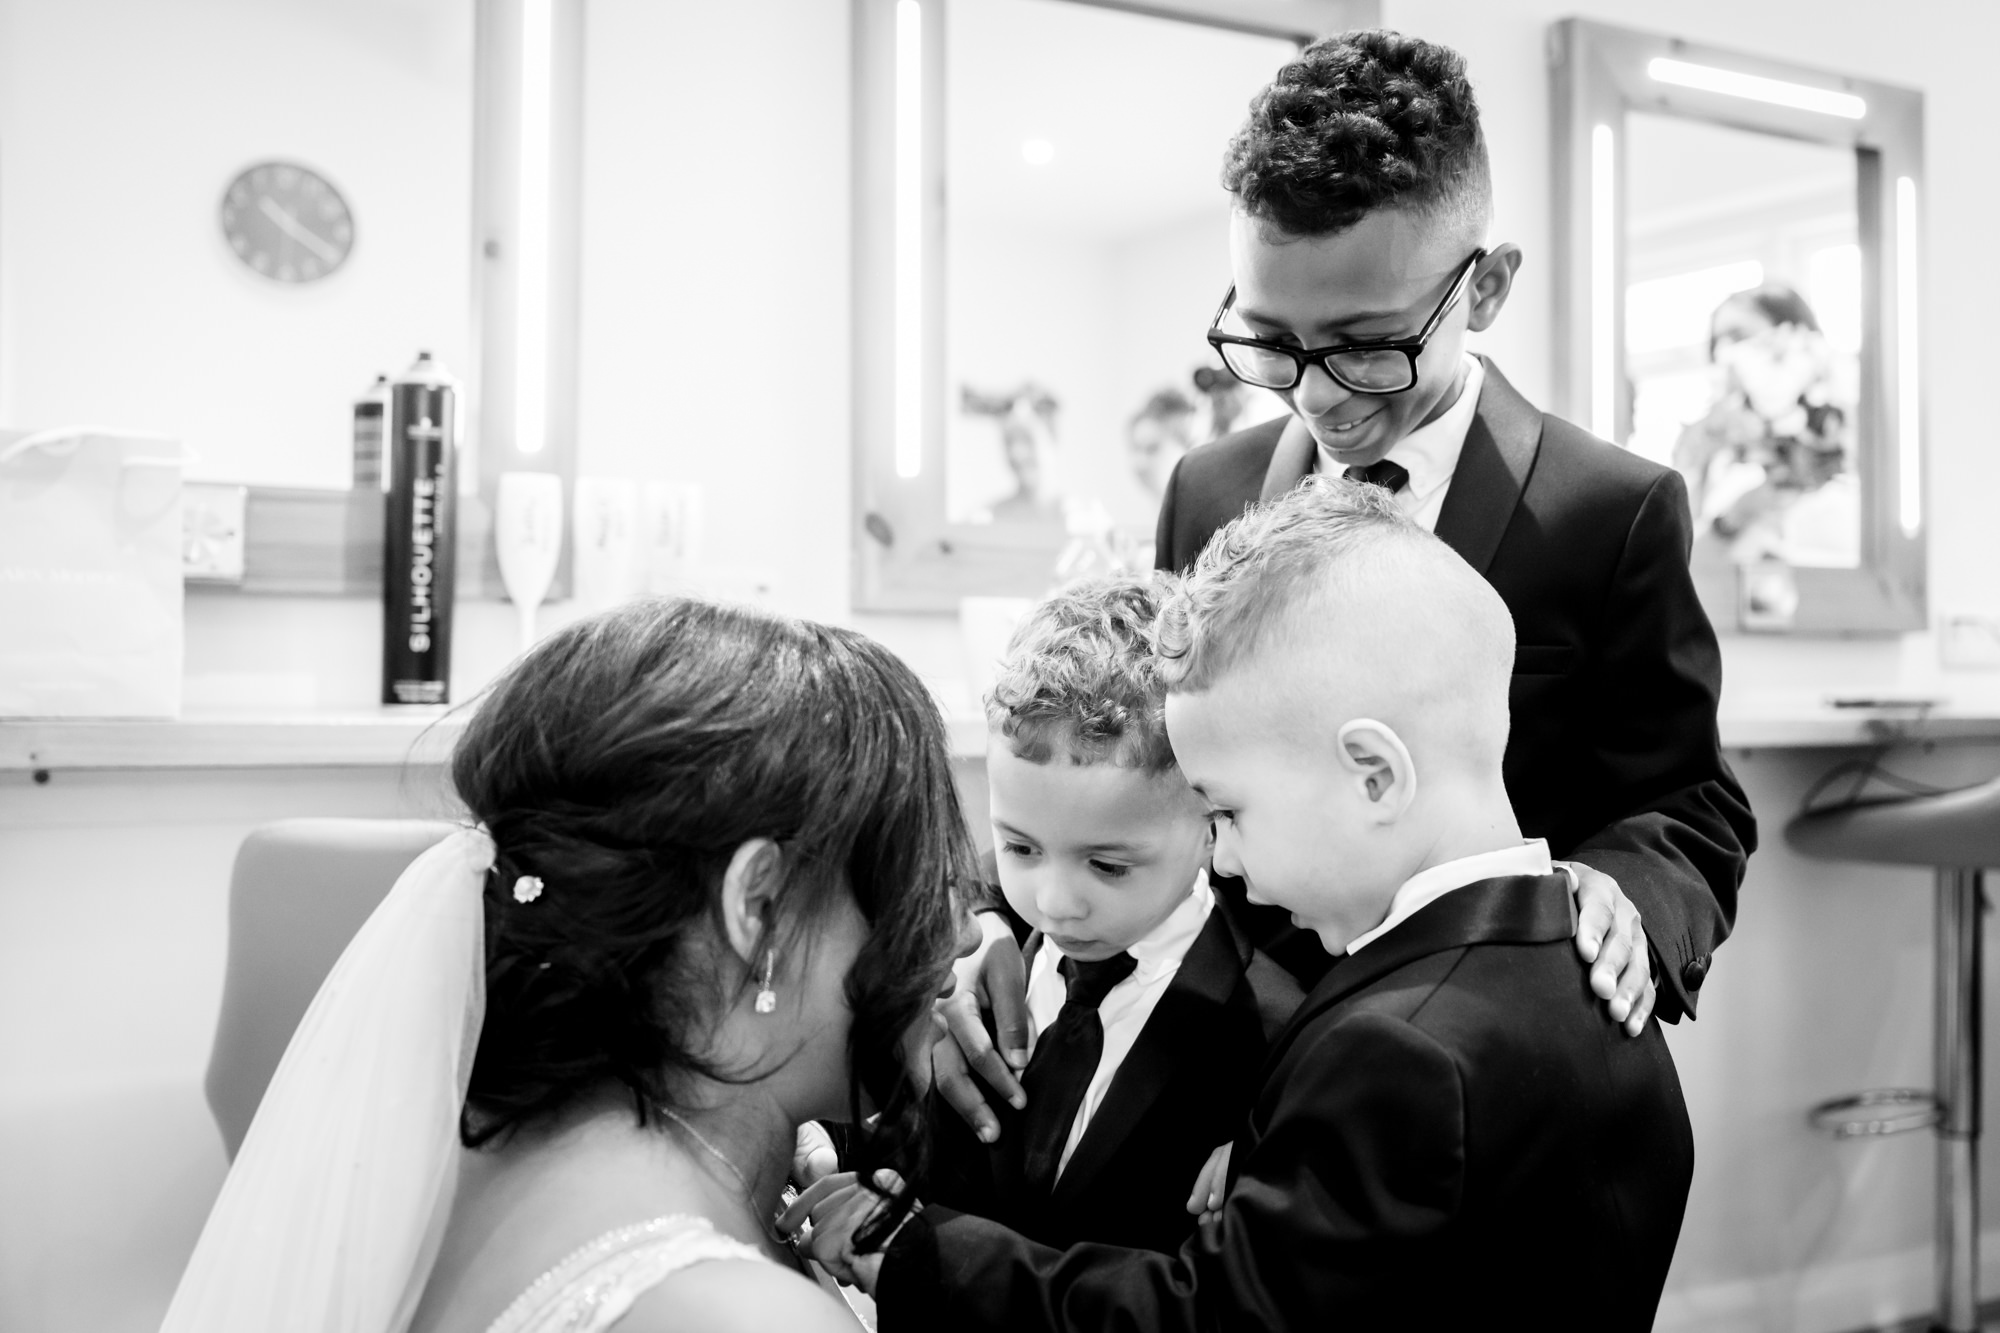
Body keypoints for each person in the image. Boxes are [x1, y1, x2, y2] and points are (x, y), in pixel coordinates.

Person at [931, 32, 1756, 1124]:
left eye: (1368, 346)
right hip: (1234, 1058)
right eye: (1271, 344)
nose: (1316, 397)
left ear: (1486, 286)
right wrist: (1003, 915)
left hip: (1477, 1065)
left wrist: (1624, 896)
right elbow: (1129, 755)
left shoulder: (1607, 511)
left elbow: (1688, 803)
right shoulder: (1207, 489)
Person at [800, 478, 1696, 1331]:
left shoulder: (1400, 1053)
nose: (1221, 856)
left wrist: (917, 1254)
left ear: (1374, 775)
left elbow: (1211, 1324)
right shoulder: (1603, 980)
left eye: (1226, 810)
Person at [161, 598, 975, 1333]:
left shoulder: (441, 1157)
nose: (962, 932)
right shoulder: (737, 1316)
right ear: (756, 909)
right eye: (916, 883)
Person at [835, 576, 1300, 1255]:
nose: (1053, 901)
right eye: (1020, 847)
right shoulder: (977, 962)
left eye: (1108, 865)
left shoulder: (1270, 1037)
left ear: (1211, 821)